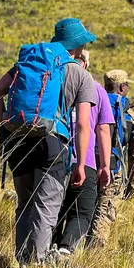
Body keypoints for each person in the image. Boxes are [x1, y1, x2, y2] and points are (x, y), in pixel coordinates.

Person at [0, 18, 97, 267]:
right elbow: (83, 125)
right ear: (78, 44)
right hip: (52, 144)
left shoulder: (28, 63)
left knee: (24, 204)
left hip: (18, 141)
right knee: (45, 208)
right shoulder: (80, 74)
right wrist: (81, 164)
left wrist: (4, 121)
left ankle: (22, 262)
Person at [52, 50, 114, 256]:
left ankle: (46, 252)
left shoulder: (55, 84)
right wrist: (105, 166)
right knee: (82, 213)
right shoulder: (97, 90)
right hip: (85, 161)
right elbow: (103, 130)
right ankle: (64, 251)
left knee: (54, 211)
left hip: (55, 158)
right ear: (85, 64)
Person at [89, 69, 134, 246]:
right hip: (114, 168)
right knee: (103, 214)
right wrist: (132, 185)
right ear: (122, 87)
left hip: (88, 163)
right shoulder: (131, 112)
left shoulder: (92, 103)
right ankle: (94, 257)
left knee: (83, 209)